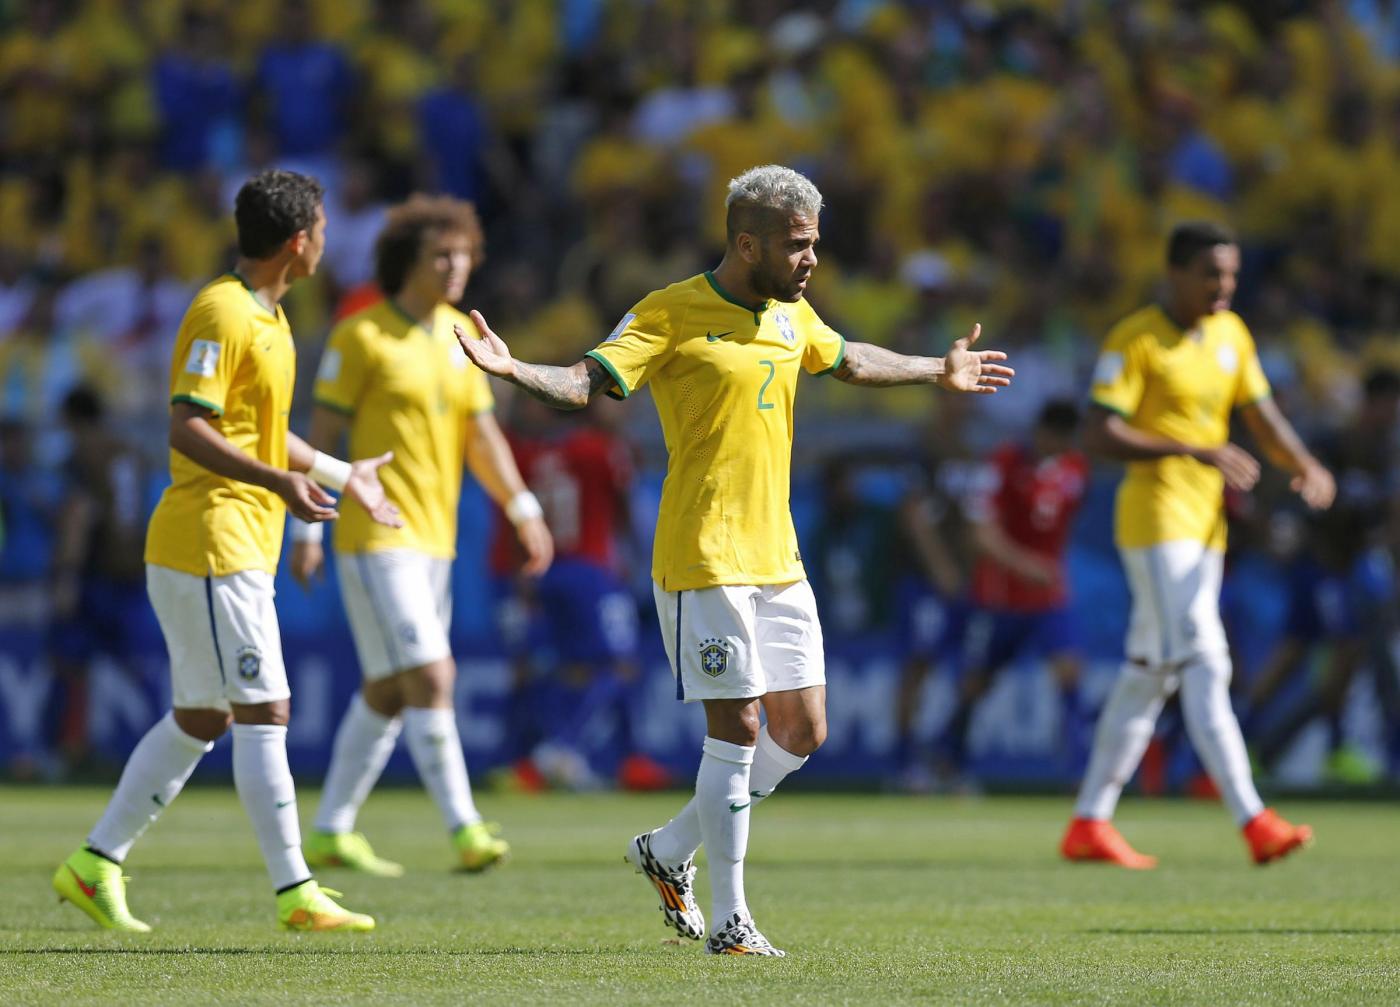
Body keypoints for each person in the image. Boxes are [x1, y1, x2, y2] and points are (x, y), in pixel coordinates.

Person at [455, 164, 1012, 956]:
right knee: (740, 723)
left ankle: (668, 848)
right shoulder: (670, 310)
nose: (811, 259)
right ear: (747, 244)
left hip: (777, 554)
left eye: (814, 243)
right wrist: (516, 371)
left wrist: (935, 369)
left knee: (804, 730)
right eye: (797, 245)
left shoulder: (792, 313)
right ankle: (731, 920)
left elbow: (848, 358)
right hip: (703, 550)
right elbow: (583, 382)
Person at [54, 169, 401, 933]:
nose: (327, 243)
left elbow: (262, 433)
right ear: (298, 241)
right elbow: (188, 426)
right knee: (264, 707)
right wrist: (278, 481)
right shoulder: (222, 310)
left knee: (201, 717)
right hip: (211, 539)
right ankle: (296, 890)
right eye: (322, 230)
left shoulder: (270, 317)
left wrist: (341, 473)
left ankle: (94, 862)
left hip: (233, 541)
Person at [1061, 221, 1336, 869]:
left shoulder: (1231, 334)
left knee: (1149, 673)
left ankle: (1089, 822)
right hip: (1157, 522)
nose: (1224, 286)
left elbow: (1261, 413)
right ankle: (1254, 818)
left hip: (1206, 526)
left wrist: (1303, 462)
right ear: (1176, 274)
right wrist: (1193, 447)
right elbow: (1097, 432)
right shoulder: (1136, 339)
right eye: (1211, 273)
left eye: (1231, 274)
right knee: (1206, 661)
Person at [291, 194, 553, 876]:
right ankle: (465, 828)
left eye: (464, 254)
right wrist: (303, 528)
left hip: (436, 541)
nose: (457, 266)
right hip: (375, 537)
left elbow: (481, 436)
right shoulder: (360, 334)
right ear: (408, 260)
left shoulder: (463, 334)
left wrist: (523, 507)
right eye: (442, 255)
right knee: (433, 674)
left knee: (388, 687)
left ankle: (329, 830)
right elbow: (321, 435)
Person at [1248, 366, 1400, 781]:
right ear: (1371, 403)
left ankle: (1271, 743)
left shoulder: (1383, 451)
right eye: (1388, 406)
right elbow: (1300, 497)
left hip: (1344, 569)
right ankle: (1274, 740)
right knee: (1334, 652)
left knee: (1307, 653)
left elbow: (1383, 514)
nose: (1391, 415)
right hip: (1318, 567)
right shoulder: (1333, 443)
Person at [933, 399, 1089, 789]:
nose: (1060, 446)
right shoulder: (1001, 464)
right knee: (976, 683)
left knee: (1070, 671)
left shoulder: (1075, 469)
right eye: (1055, 437)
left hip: (1048, 597)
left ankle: (1079, 770)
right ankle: (948, 760)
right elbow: (979, 534)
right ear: (1040, 431)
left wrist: (1046, 568)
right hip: (999, 597)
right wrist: (1025, 565)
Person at [45, 386, 156, 776]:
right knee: (138, 667)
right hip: (133, 574)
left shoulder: (81, 456)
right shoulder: (133, 454)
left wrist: (66, 576)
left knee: (69, 665)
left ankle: (65, 752)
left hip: (94, 576)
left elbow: (79, 516)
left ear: (70, 418)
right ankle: (158, 752)